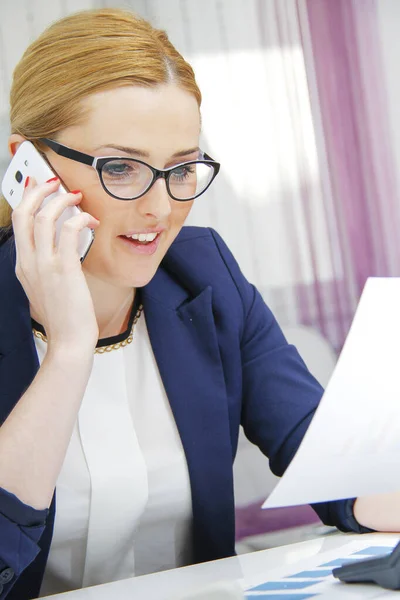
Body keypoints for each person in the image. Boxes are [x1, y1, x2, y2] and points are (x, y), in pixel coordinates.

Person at [0, 7, 397, 600]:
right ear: (27, 167)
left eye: (183, 168)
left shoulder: (203, 272)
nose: (161, 209)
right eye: (123, 168)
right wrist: (70, 352)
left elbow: (334, 468)